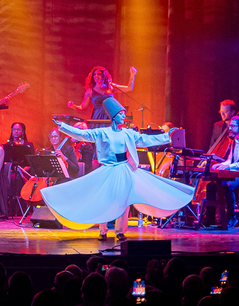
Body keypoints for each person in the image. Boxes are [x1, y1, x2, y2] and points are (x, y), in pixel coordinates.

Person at [41, 98, 195, 240]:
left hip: (124, 169)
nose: (123, 116)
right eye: (121, 114)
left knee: (123, 200)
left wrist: (167, 136)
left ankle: (120, 231)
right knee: (105, 200)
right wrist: (63, 126)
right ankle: (103, 230)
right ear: (114, 116)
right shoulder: (102, 132)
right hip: (108, 169)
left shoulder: (128, 133)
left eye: (123, 113)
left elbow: (146, 139)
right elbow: (82, 134)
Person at [206, 116, 239, 228]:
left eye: (232, 126)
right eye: (230, 126)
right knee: (211, 186)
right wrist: (221, 165)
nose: (229, 128)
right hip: (236, 174)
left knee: (228, 186)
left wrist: (229, 167)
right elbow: (231, 159)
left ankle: (232, 217)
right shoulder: (234, 141)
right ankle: (210, 219)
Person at [67, 65, 137, 120]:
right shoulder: (90, 91)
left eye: (98, 74)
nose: (96, 76)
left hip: (110, 116)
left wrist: (132, 75)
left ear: (104, 75)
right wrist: (73, 106)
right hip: (97, 117)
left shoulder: (110, 87)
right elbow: (82, 107)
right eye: (94, 74)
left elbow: (129, 88)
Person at [3, 122, 34, 201]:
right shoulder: (8, 145)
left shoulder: (28, 145)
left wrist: (23, 170)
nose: (16, 131)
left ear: (23, 132)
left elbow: (31, 162)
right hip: (11, 171)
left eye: (18, 129)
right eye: (14, 129)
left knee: (18, 178)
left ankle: (22, 200)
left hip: (25, 171)